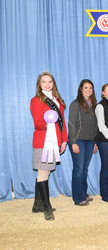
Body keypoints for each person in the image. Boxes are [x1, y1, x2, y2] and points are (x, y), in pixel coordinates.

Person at [30, 71, 68, 221]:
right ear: (39, 84)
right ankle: (46, 207)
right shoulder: (36, 100)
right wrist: (48, 121)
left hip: (55, 142)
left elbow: (62, 122)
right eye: (44, 82)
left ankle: (37, 205)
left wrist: (64, 140)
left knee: (45, 172)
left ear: (53, 83)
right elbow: (37, 123)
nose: (47, 84)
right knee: (43, 173)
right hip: (42, 142)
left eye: (49, 81)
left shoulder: (58, 100)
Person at [68, 79, 98, 206]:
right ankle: (78, 197)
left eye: (90, 88)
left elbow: (94, 125)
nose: (88, 90)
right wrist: (73, 142)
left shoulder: (94, 105)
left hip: (90, 140)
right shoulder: (75, 104)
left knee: (85, 169)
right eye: (85, 88)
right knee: (78, 169)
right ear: (81, 89)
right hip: (78, 140)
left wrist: (95, 141)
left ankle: (83, 193)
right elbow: (71, 124)